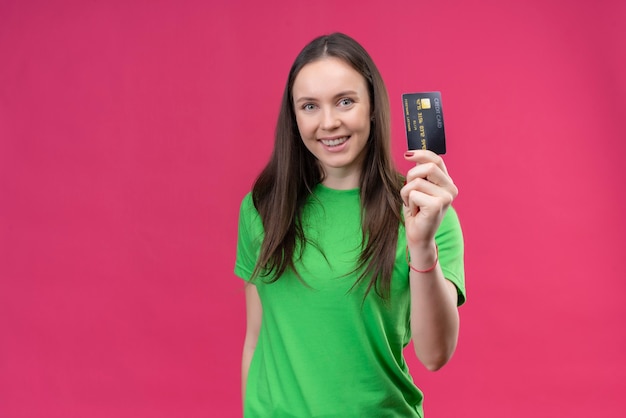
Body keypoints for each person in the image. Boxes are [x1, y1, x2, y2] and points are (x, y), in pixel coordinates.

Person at [235, 32, 466, 417]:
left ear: (372, 106)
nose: (329, 122)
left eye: (345, 101)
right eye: (309, 106)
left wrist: (423, 246)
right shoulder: (263, 207)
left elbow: (435, 354)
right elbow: (257, 338)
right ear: (293, 116)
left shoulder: (427, 213)